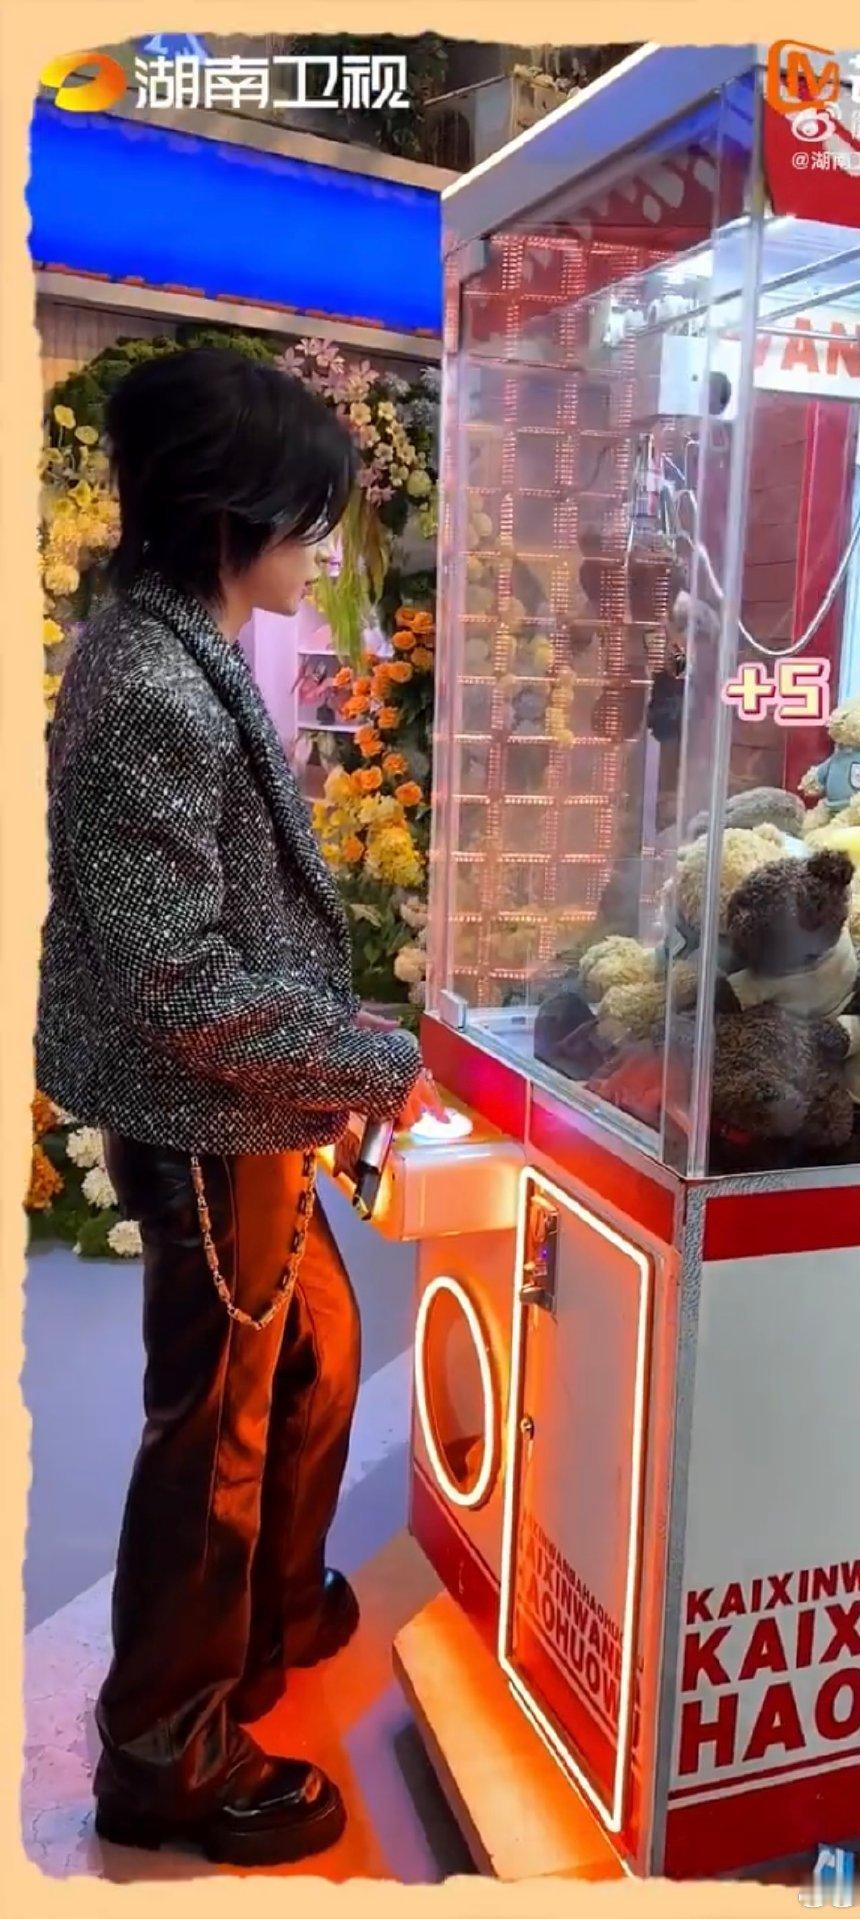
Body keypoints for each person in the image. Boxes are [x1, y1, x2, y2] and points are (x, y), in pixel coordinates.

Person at [35, 347, 444, 1867]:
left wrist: (337, 1046)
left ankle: (268, 1615)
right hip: (203, 1116)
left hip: (240, 1110)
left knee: (317, 1357)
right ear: (231, 512)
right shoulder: (156, 684)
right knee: (211, 1434)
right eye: (307, 518)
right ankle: (167, 1756)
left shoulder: (174, 644)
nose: (322, 550)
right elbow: (176, 982)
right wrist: (370, 1062)